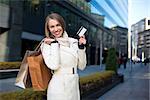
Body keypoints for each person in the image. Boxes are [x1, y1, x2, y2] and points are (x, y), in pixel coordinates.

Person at [40, 13, 87, 100]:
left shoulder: (73, 42)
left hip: (74, 86)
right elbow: (54, 65)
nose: (56, 29)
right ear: (48, 29)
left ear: (62, 25)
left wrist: (81, 47)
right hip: (58, 88)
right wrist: (54, 44)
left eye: (58, 25)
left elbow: (82, 66)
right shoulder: (47, 44)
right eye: (52, 27)